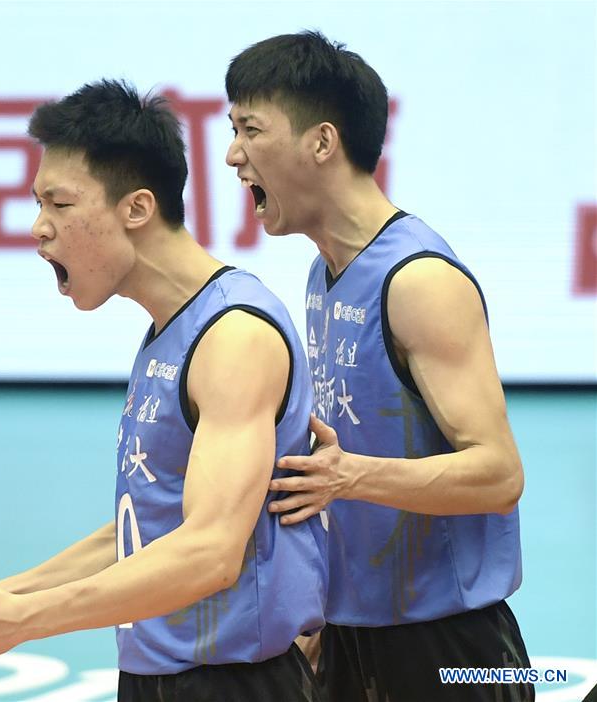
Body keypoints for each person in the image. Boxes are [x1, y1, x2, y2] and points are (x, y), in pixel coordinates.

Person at [0, 79, 327, 702]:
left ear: (137, 208)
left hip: (233, 686)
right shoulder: (168, 331)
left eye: (59, 205)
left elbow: (209, 553)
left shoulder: (233, 337)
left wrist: (21, 621)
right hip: (158, 678)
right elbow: (147, 530)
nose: (38, 228)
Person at [224, 31, 532, 702]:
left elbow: (499, 472)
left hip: (455, 647)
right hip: (349, 633)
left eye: (250, 129)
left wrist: (349, 477)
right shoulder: (322, 273)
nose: (232, 155)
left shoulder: (419, 280)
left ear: (322, 142)